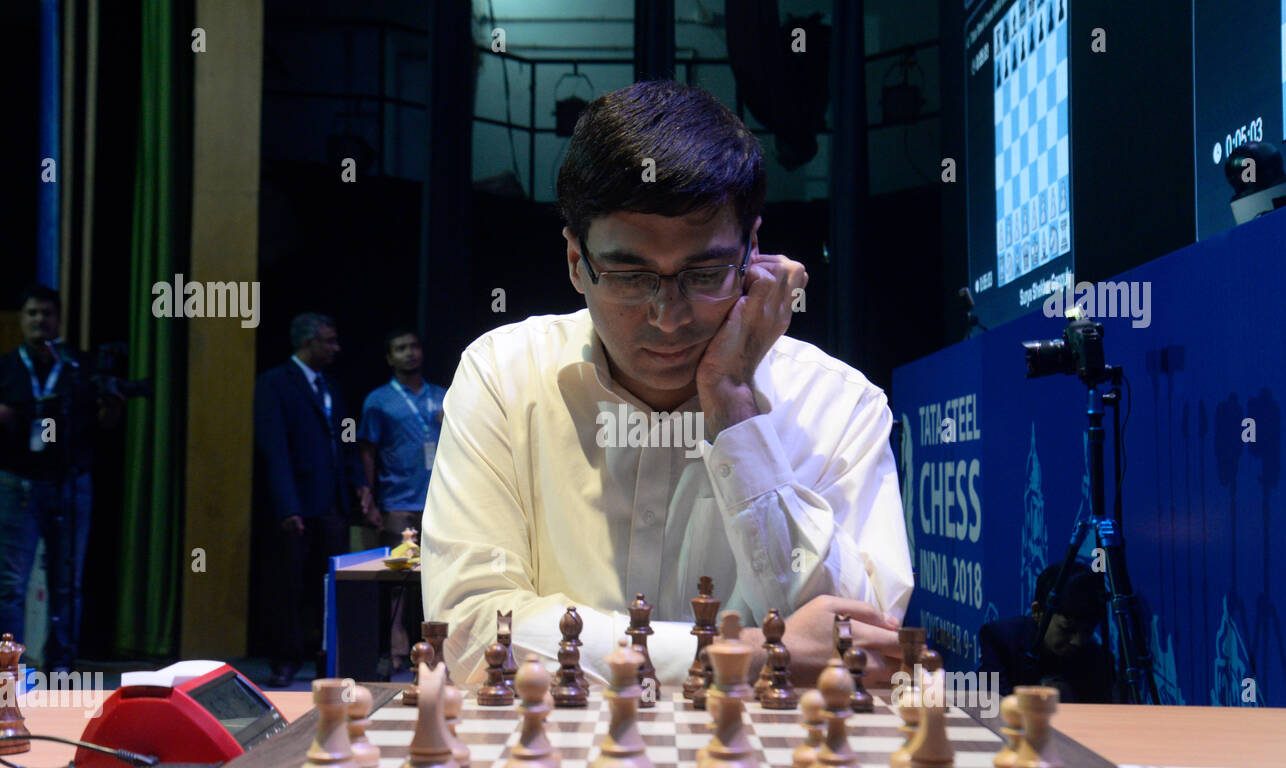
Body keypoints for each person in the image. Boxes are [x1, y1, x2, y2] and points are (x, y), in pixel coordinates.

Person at [421, 80, 912, 687]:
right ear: (577, 262)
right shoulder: (501, 377)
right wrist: (752, 656)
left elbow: (861, 650)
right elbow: (472, 634)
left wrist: (734, 405)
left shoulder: (841, 405)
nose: (669, 316)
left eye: (705, 272)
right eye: (630, 275)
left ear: (753, 251)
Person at [0, 285, 122, 672]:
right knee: (11, 585)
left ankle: (61, 665)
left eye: (47, 314)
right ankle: (8, 668)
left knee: (67, 582)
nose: (40, 320)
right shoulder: (7, 368)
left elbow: (105, 428)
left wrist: (113, 407)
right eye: (32, 313)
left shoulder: (78, 368)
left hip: (71, 484)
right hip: (18, 483)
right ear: (22, 319)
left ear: (58, 319)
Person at [254, 313, 373, 687]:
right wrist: (287, 506)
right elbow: (274, 449)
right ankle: (286, 659)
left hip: (332, 503)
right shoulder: (274, 383)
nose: (336, 348)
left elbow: (345, 440)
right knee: (288, 585)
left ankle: (327, 657)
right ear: (308, 343)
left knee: (329, 585)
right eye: (329, 341)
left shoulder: (332, 387)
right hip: (298, 503)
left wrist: (359, 483)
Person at [358, 328, 447, 671]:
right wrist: (369, 497)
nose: (409, 353)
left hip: (440, 502)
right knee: (398, 582)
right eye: (400, 348)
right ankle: (396, 651)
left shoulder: (442, 396)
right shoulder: (378, 400)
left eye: (413, 346)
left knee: (438, 579)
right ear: (389, 357)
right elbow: (368, 450)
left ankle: (436, 650)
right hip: (397, 500)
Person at [978, 560, 1113, 703]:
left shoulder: (1099, 660)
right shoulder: (1000, 640)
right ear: (1038, 612)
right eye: (1067, 629)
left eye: (1088, 631)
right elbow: (991, 705)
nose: (1077, 641)